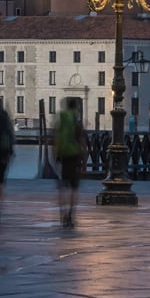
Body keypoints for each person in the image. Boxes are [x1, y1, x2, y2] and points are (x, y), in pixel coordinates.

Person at [53, 97, 85, 228]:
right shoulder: (76, 120)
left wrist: (55, 155)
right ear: (76, 107)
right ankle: (71, 214)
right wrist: (84, 160)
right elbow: (82, 140)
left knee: (62, 187)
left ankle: (62, 214)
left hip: (62, 155)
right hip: (75, 155)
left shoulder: (61, 119)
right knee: (73, 188)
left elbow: (55, 138)